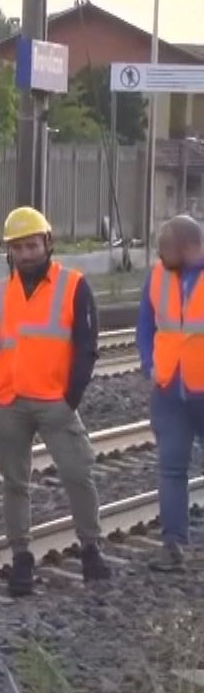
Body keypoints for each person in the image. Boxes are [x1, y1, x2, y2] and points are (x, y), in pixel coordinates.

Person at [0, 206, 110, 595]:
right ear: (9, 251)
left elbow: (86, 347)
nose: (25, 254)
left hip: (55, 403)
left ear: (47, 243)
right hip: (9, 403)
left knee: (78, 474)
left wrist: (70, 399)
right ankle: (21, 558)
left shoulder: (74, 286)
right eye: (17, 248)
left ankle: (90, 549)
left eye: (32, 246)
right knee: (14, 483)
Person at [139, 214, 204, 572]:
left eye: (166, 249)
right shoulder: (158, 276)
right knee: (171, 469)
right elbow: (145, 325)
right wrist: (150, 364)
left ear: (189, 248)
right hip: (168, 391)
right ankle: (173, 543)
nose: (160, 256)